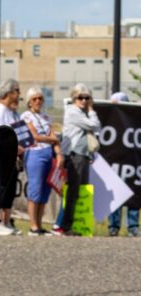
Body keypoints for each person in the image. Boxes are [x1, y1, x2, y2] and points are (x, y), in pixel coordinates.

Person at [58, 83, 101, 236]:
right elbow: (95, 125)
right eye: (80, 97)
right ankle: (65, 225)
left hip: (82, 155)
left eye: (86, 98)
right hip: (74, 155)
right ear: (74, 98)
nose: (83, 100)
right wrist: (91, 110)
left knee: (79, 191)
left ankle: (75, 224)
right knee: (73, 191)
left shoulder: (81, 113)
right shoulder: (74, 112)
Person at [21, 86, 63, 236]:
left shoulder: (46, 117)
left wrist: (59, 155)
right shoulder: (26, 116)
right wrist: (52, 139)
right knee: (35, 189)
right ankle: (33, 225)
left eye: (40, 98)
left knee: (45, 191)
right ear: (29, 102)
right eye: (35, 99)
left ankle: (39, 224)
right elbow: (34, 136)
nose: (38, 101)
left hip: (48, 153)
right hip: (34, 154)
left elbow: (54, 138)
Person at [0, 78, 23, 236]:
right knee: (1, 189)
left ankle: (7, 222)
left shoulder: (12, 111)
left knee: (10, 190)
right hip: (2, 157)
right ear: (9, 92)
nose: (18, 94)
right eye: (17, 91)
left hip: (13, 157)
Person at [107, 92, 137, 236]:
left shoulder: (134, 120)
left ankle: (133, 226)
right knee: (115, 195)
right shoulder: (109, 121)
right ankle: (114, 226)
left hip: (131, 162)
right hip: (115, 162)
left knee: (133, 192)